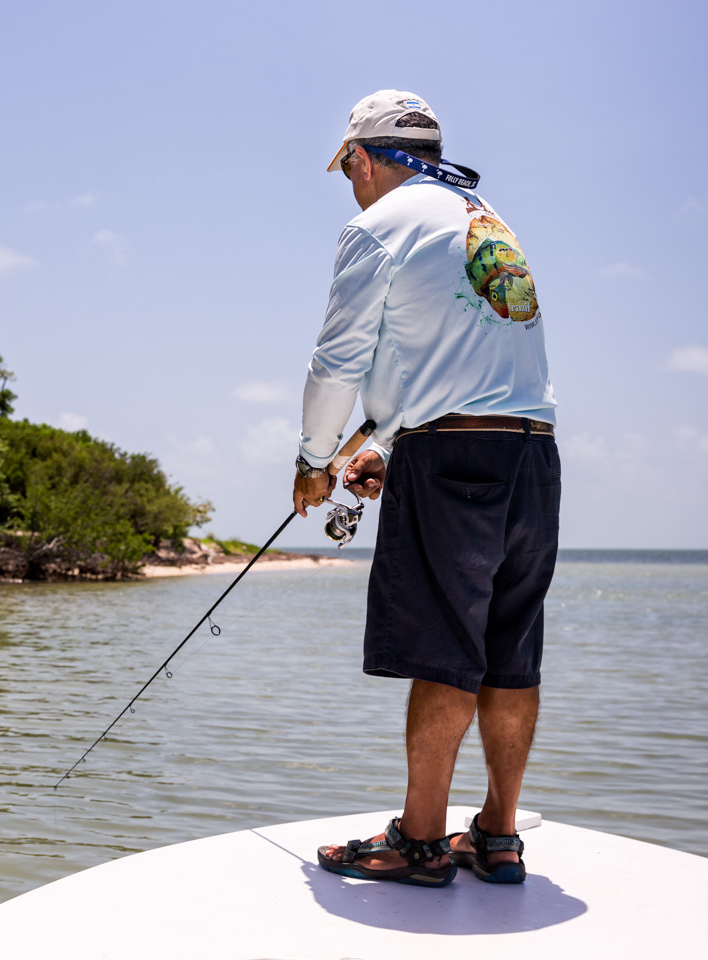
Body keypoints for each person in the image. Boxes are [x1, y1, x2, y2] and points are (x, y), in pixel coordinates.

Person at [293, 90, 560, 886]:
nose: (350, 186)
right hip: (534, 457)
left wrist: (313, 463)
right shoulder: (488, 219)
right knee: (511, 651)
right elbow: (458, 361)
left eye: (347, 170)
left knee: (445, 651)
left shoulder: (377, 226)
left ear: (364, 158)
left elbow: (338, 360)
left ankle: (418, 843)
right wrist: (390, 445)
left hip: (453, 463)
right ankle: (500, 835)